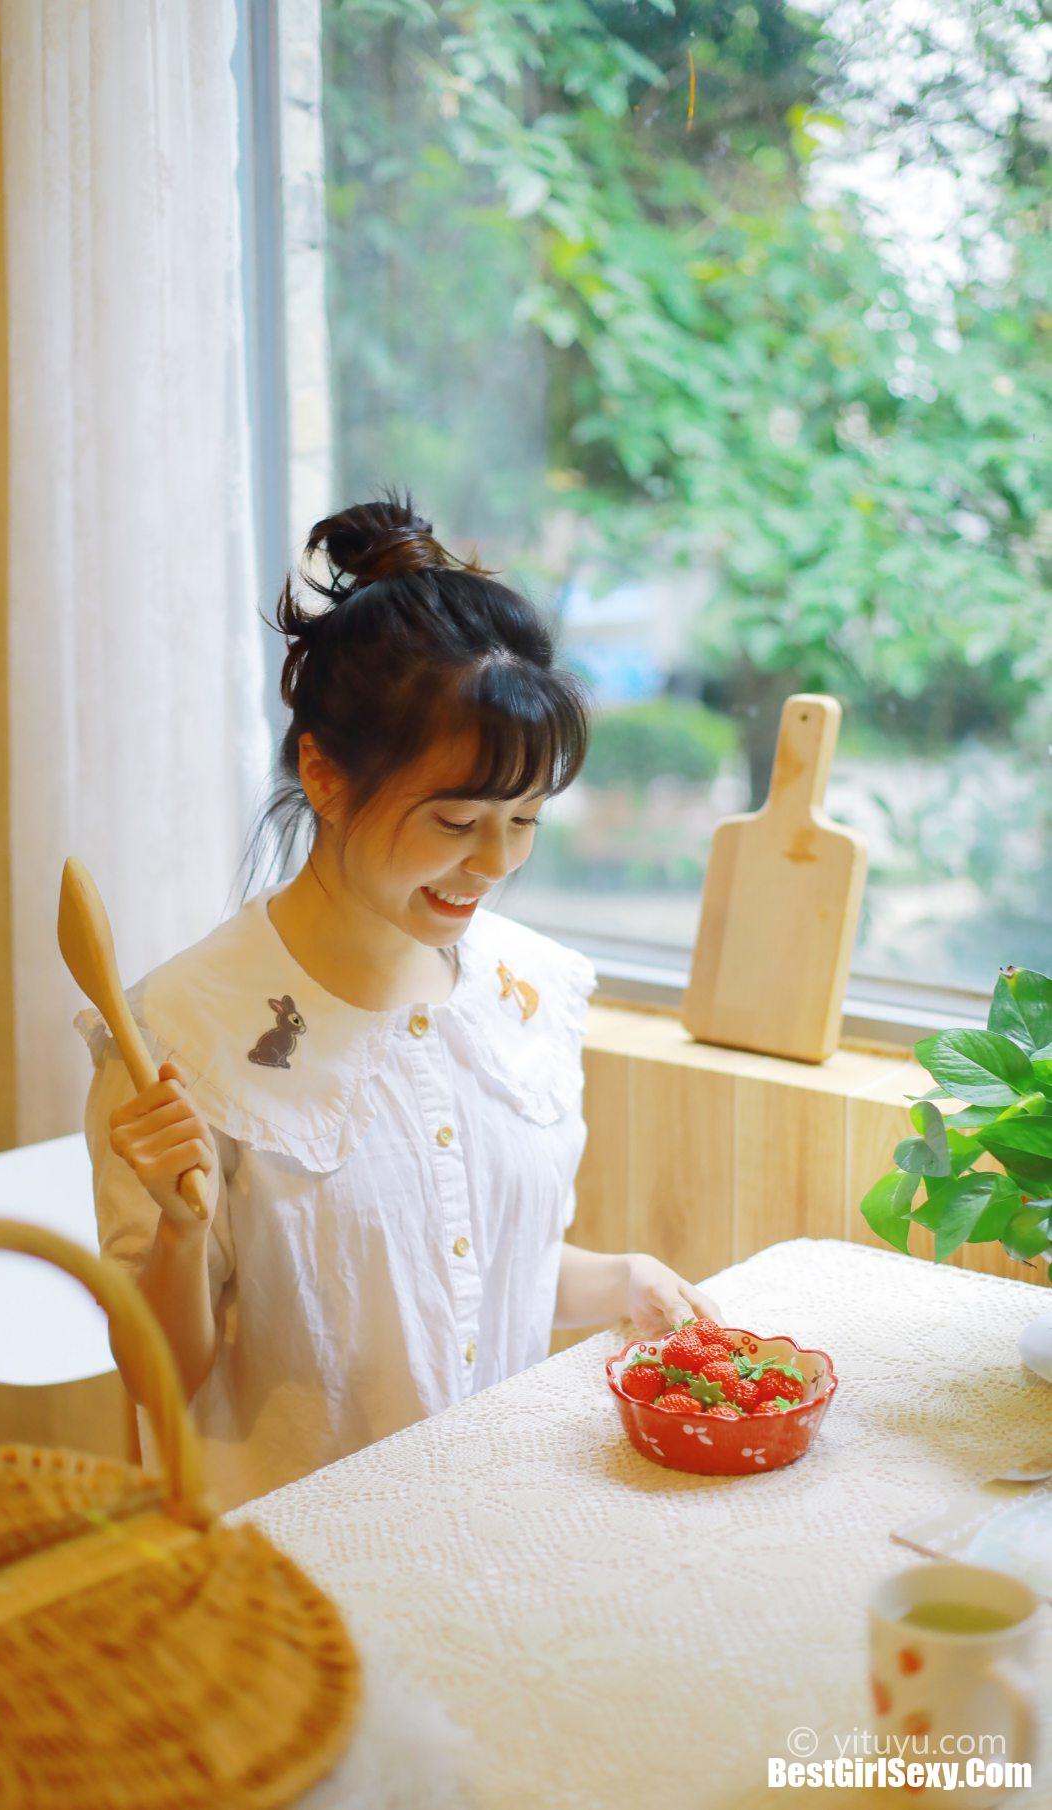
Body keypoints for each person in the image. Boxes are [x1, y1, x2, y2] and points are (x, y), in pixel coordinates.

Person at [76, 489, 721, 1511]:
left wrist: (622, 1278)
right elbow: (160, 1381)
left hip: (498, 1525)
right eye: (457, 821)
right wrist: (180, 1233)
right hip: (298, 1566)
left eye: (525, 820)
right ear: (325, 776)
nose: (495, 863)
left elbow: (458, 1278)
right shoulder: (179, 1036)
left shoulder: (525, 993)